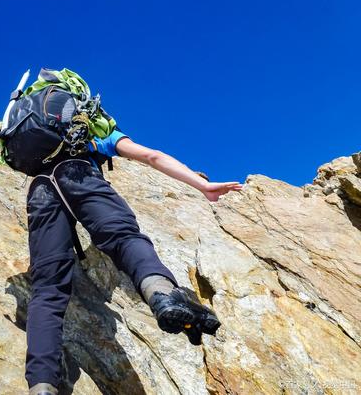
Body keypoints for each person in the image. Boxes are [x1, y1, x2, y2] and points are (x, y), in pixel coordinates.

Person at [24, 128, 242, 395]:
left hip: (40, 191)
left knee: (47, 290)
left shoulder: (29, 131)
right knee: (124, 238)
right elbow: (152, 156)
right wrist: (204, 186)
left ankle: (42, 387)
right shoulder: (93, 124)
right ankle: (162, 295)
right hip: (81, 174)